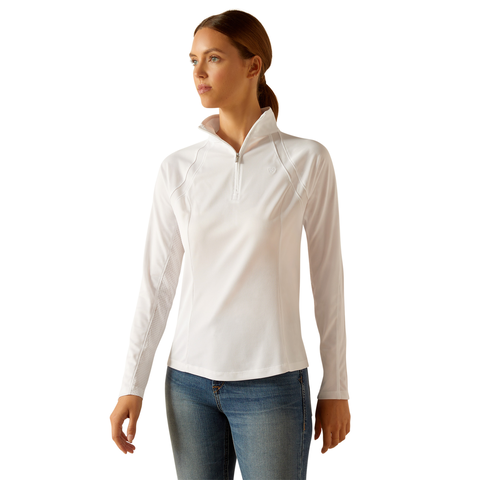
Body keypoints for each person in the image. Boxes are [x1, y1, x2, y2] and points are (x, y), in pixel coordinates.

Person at [110, 9, 351, 479]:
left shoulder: (306, 160)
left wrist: (336, 387)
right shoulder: (178, 169)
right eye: (193, 60)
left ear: (253, 65)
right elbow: (156, 286)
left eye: (214, 58)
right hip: (188, 386)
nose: (198, 72)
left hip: (273, 384)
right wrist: (131, 384)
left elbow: (328, 281)